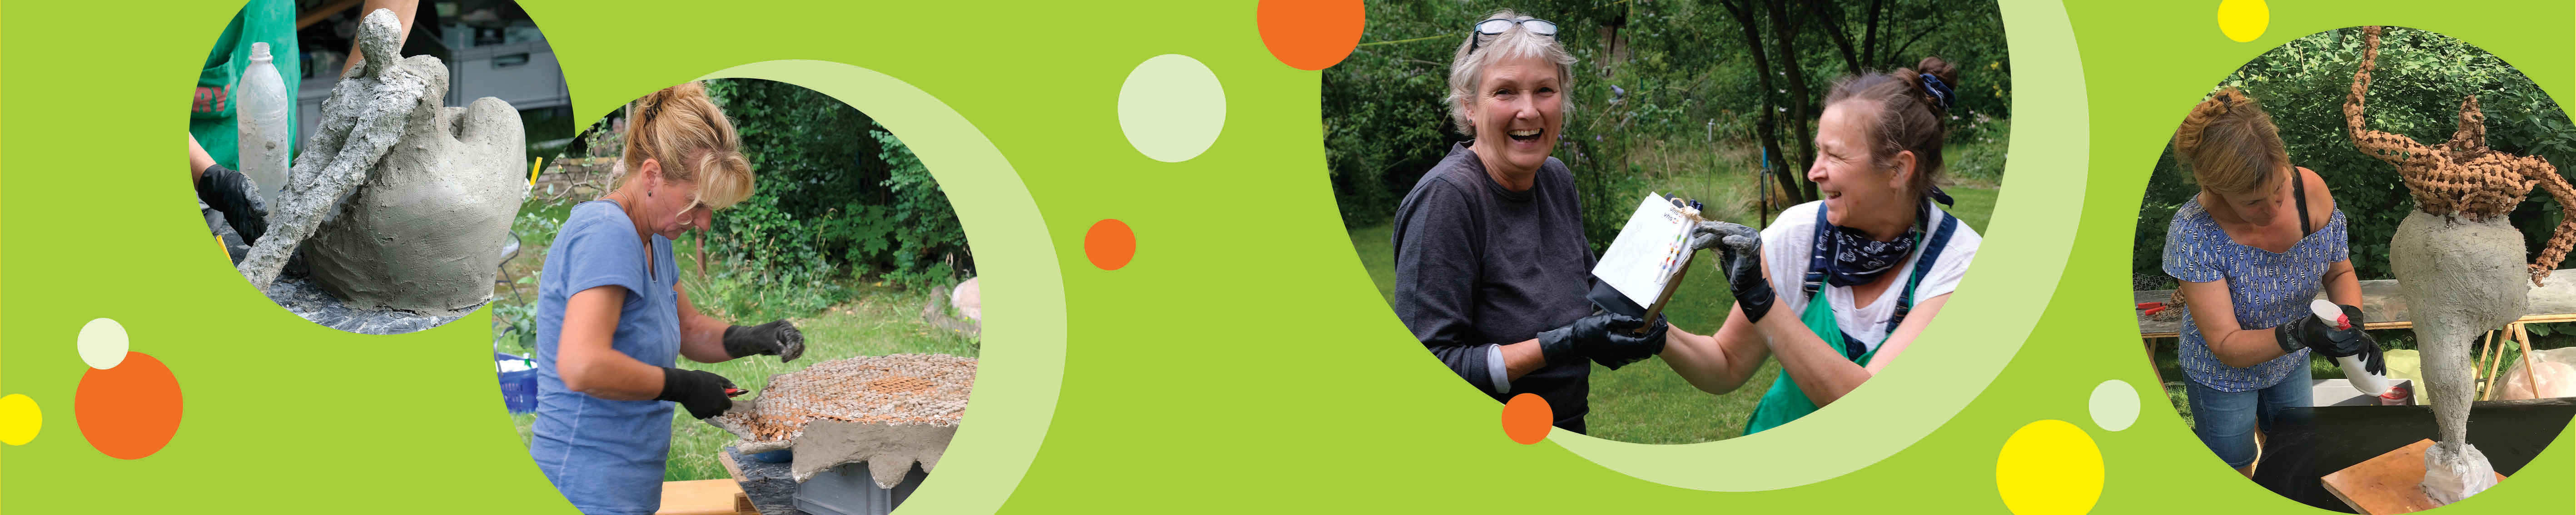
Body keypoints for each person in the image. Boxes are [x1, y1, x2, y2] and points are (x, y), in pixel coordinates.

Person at [527, 82, 808, 515]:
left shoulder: (654, 237)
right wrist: (683, 386)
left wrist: (756, 337)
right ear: (652, 175)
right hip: (583, 485)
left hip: (625, 487)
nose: (704, 223)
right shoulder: (606, 233)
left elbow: (689, 330)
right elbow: (582, 366)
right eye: (696, 204)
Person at [1667, 58, 1984, 436]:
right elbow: (1726, 364)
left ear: (1898, 169)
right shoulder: (1799, 233)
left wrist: (1761, 301)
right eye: (1819, 152)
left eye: (1835, 156)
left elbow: (1872, 414)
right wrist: (1654, 331)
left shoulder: (1959, 263)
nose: (1814, 172)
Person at [1389, 10, 1667, 434]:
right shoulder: (1448, 199)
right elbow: (1430, 369)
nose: (1529, 110)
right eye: (1505, 92)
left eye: (1544, 90)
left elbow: (1589, 298)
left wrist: (1636, 320)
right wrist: (1565, 343)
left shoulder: (1555, 179)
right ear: (1469, 105)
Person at [2158, 88, 2380, 476]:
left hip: (2289, 361)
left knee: (2296, 456)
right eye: (2252, 202)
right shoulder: (2193, 234)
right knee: (2233, 469)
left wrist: (2352, 323)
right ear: (2215, 188)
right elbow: (2227, 345)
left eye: (2278, 188)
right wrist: (2301, 333)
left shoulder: (2309, 191)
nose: (2274, 208)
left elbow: (2339, 272)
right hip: (2220, 374)